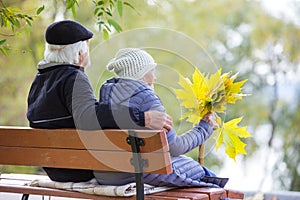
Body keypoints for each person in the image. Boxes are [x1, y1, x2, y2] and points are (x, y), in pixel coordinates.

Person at [26, 21, 172, 182]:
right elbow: (89, 117)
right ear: (80, 54)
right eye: (88, 48)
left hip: (54, 166)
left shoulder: (40, 79)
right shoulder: (74, 78)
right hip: (79, 167)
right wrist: (143, 117)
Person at [94, 48, 228, 188]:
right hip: (138, 173)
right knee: (207, 175)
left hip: (106, 174)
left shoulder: (106, 95)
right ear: (142, 74)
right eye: (152, 71)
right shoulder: (147, 99)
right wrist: (204, 127)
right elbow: (176, 147)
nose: (155, 77)